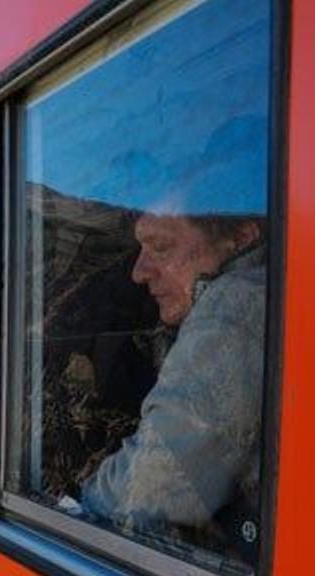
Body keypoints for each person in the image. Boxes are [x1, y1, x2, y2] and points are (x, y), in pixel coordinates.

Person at [79, 209, 266, 543]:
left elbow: (156, 484)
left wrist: (77, 508)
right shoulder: (271, 294)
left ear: (241, 239)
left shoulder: (239, 305)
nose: (138, 272)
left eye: (161, 247)